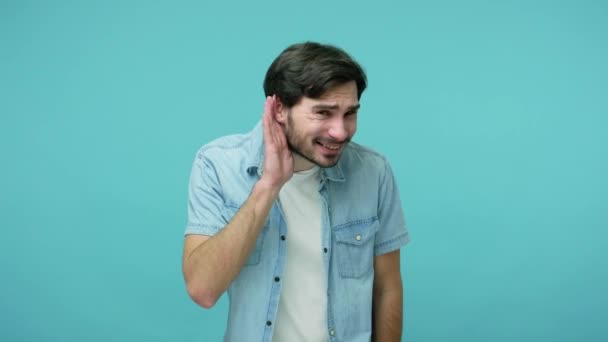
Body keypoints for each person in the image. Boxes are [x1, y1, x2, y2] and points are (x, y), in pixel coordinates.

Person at [182, 42, 410, 342]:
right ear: (279, 109)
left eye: (349, 113)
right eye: (323, 113)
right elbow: (202, 288)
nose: (340, 131)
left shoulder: (373, 171)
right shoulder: (217, 165)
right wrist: (269, 186)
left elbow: (387, 287)